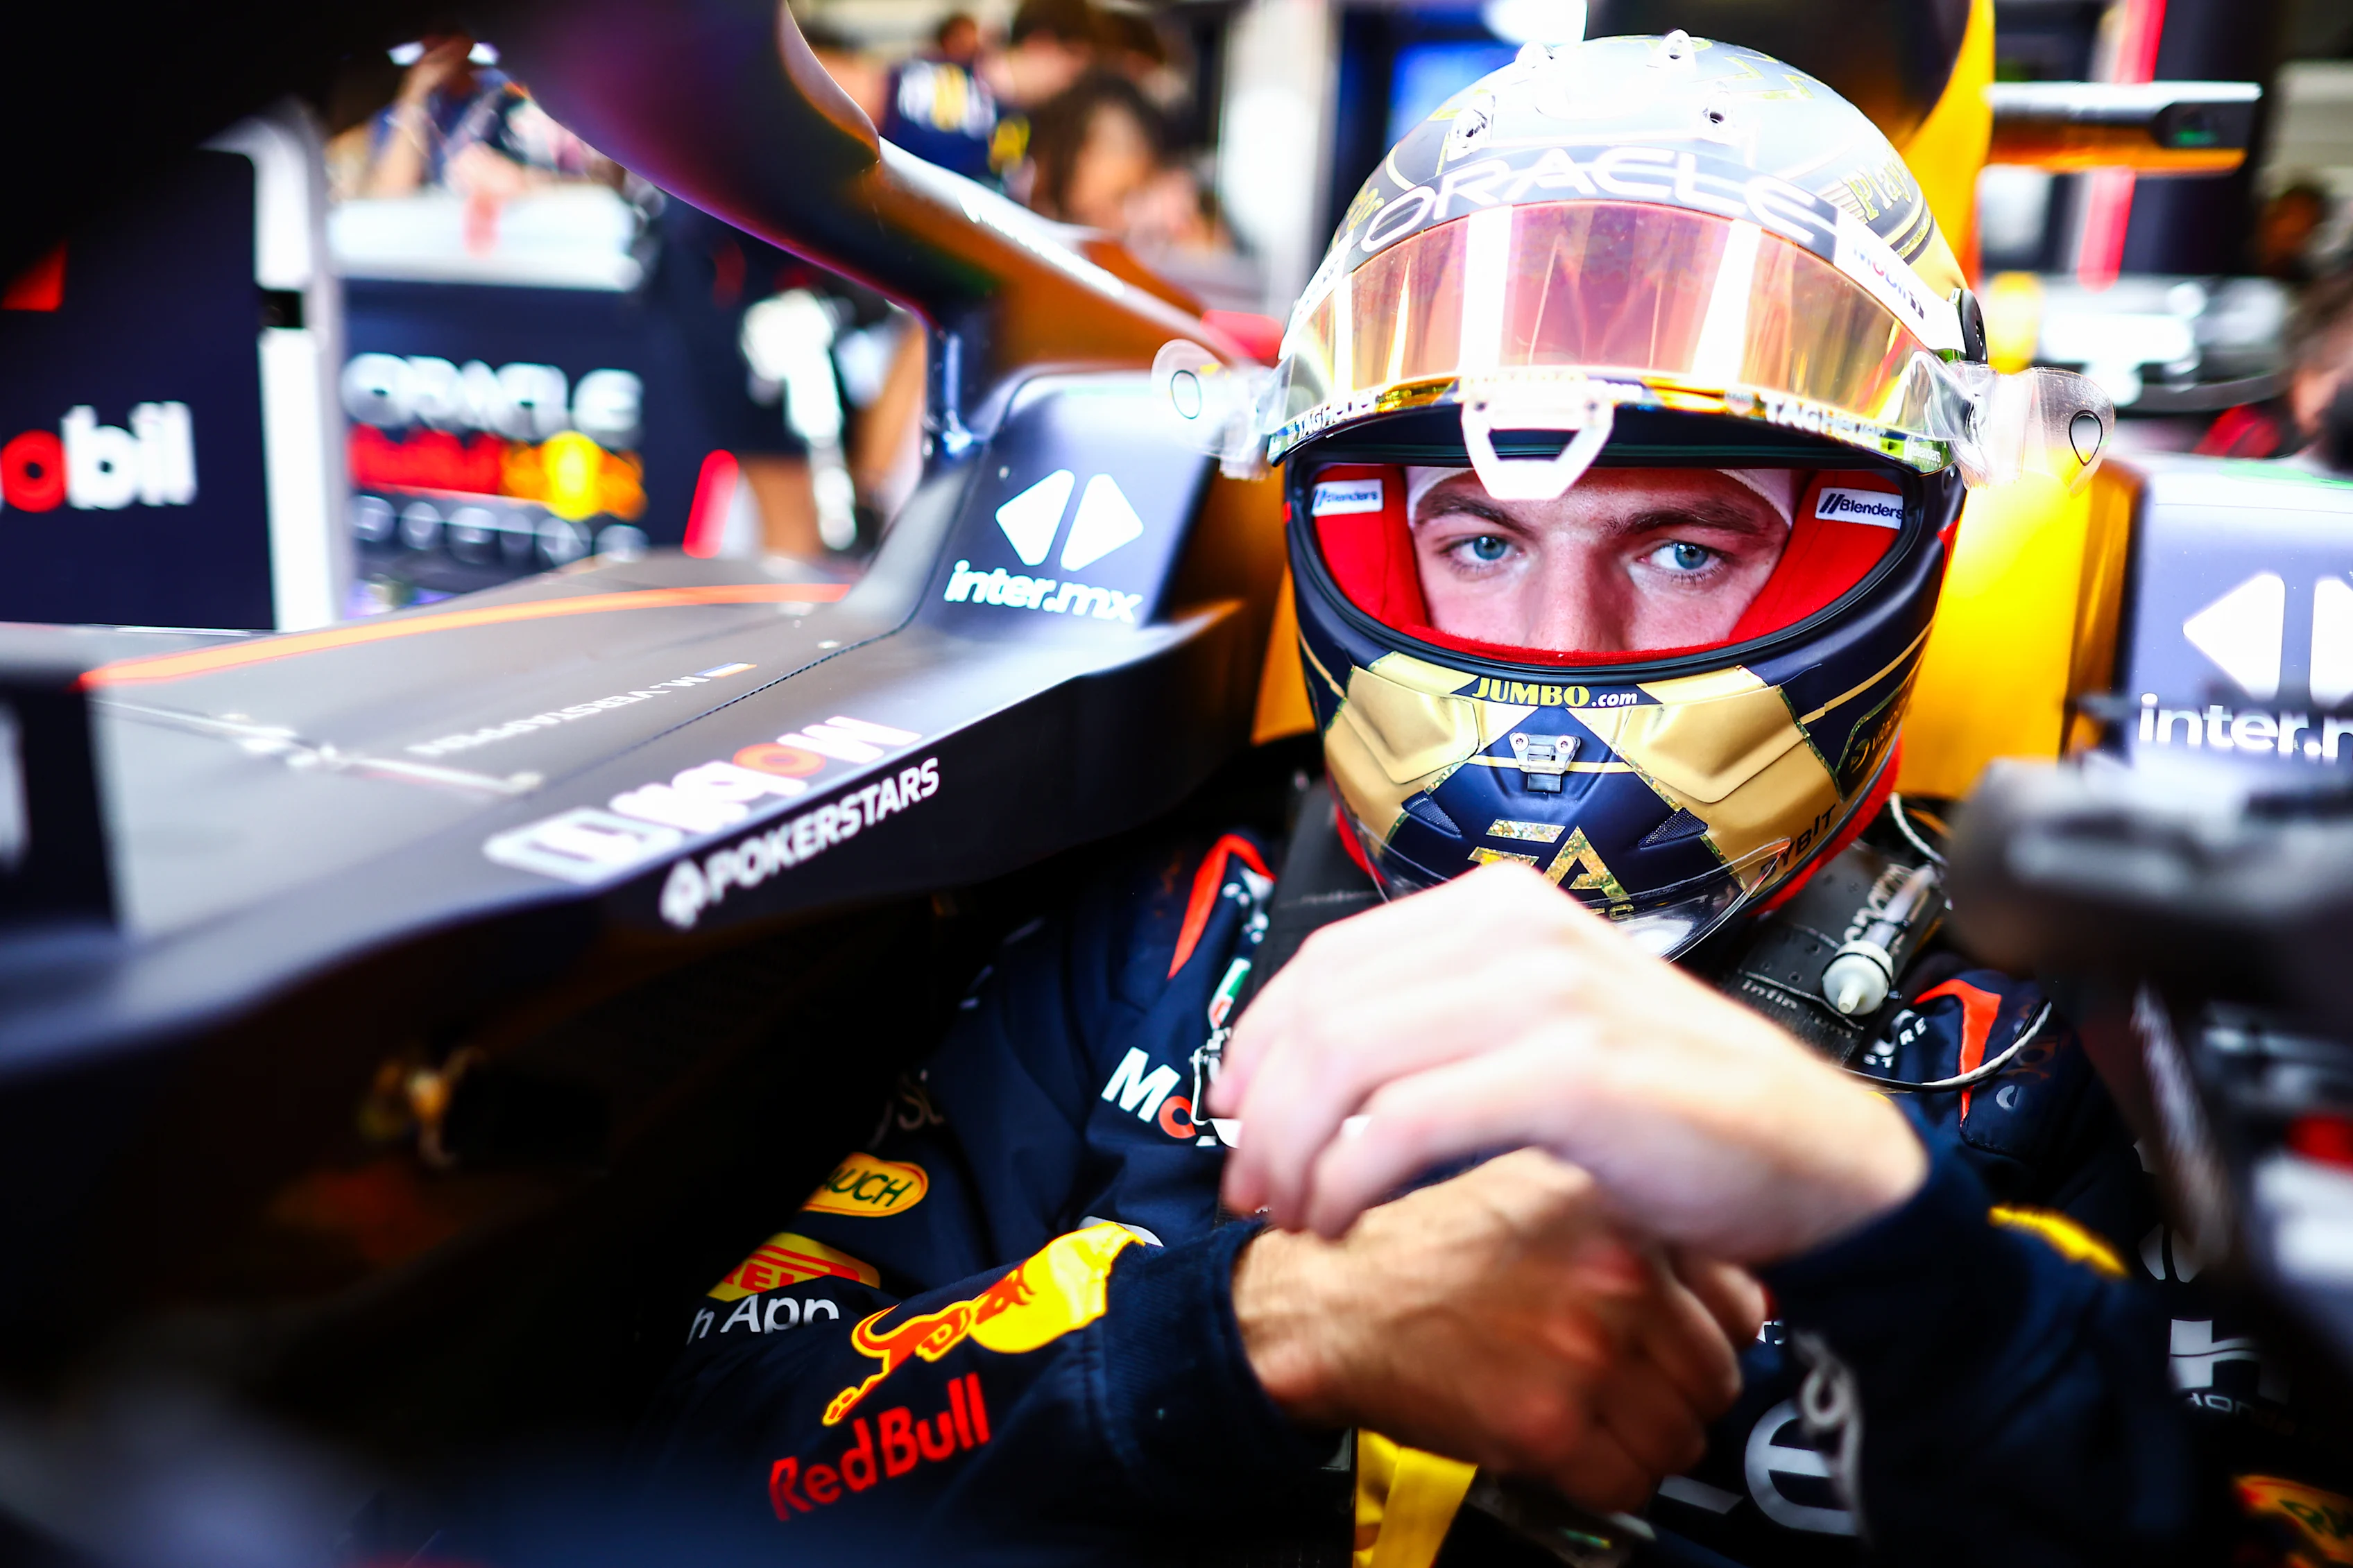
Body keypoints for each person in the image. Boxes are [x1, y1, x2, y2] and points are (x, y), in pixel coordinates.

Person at [630, 34, 2347, 1567]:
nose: (1556, 639)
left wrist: (1907, 1257)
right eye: (1475, 537)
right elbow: (721, 1432)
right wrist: (1257, 1332)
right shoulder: (1180, 911)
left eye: (1685, 545)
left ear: (1897, 544)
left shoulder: (2072, 1021)